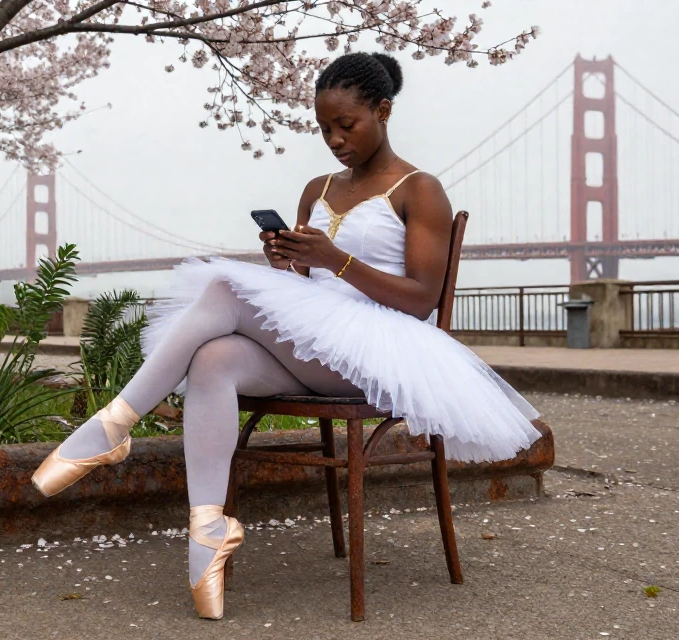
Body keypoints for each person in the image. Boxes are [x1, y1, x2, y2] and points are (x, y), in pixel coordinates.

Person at [31, 53, 545, 620]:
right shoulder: (317, 188)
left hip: (378, 356)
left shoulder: (419, 189)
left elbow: (422, 298)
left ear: (383, 111)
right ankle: (207, 531)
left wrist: (335, 259)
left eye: (346, 125)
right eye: (324, 129)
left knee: (223, 288)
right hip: (315, 346)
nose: (335, 140)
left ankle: (111, 427)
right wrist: (288, 263)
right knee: (213, 359)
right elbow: (305, 287)